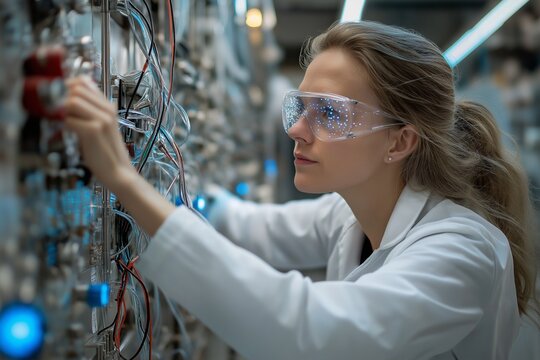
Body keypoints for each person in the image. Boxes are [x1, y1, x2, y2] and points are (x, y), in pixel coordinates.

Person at [65, 21, 538, 359]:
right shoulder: (349, 214)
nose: (297, 130)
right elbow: (244, 225)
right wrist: (160, 169)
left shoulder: (464, 251)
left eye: (329, 114)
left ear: (401, 140)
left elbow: (313, 332)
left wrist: (123, 180)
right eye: (300, 107)